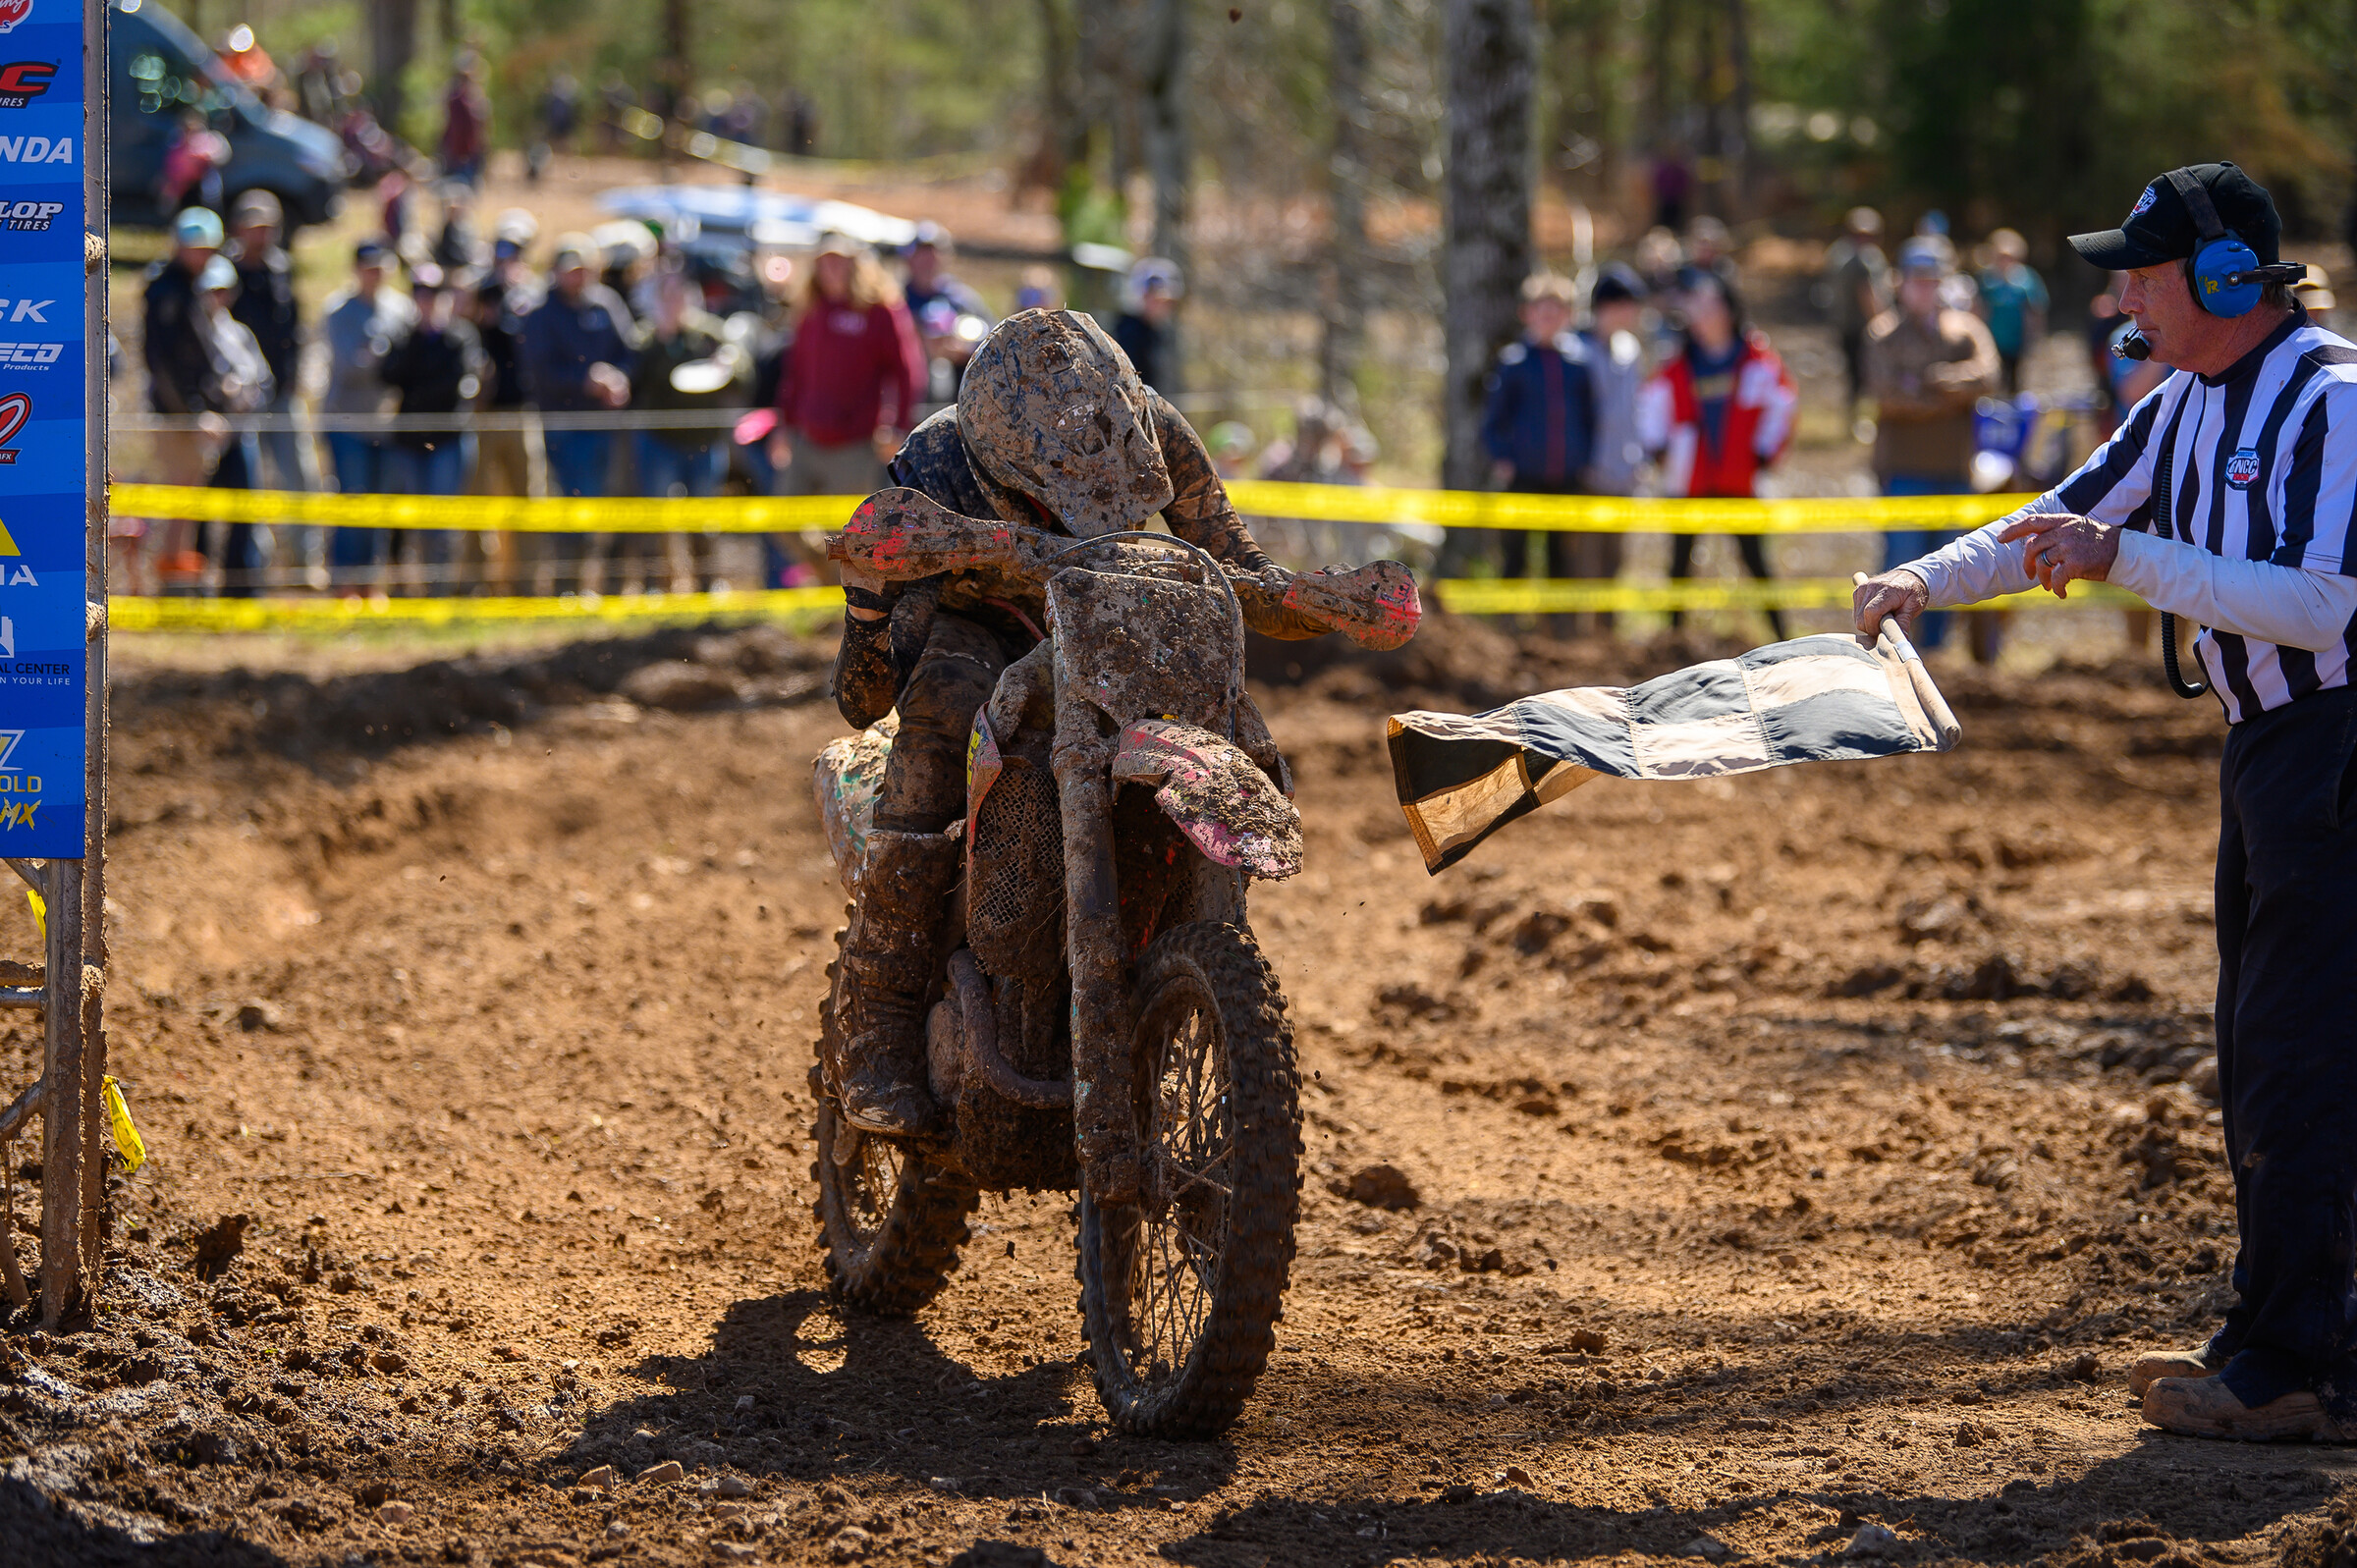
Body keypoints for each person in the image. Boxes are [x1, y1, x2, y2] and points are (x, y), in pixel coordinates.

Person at [1854, 162, 2357, 1444]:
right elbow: (2058, 517)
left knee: (2304, 1052)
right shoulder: (2184, 400)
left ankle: (2305, 1362)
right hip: (2270, 754)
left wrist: (2126, 560)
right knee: (2260, 1049)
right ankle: (2274, 1330)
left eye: (2143, 269)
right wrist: (1922, 580)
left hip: (2339, 745)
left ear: (2230, 278)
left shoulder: (2332, 401)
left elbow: (2321, 603)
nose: (2123, 291)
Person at [826, 310, 1312, 1137]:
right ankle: (879, 1016)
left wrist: (1311, 596)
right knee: (939, 717)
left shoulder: (1154, 431)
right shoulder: (936, 466)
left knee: (1224, 712)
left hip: (1114, 619)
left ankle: (1196, 977)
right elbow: (864, 692)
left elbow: (1233, 556)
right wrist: (869, 610)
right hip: (980, 622)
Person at [1637, 268, 1797, 640]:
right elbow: (1651, 409)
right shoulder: (1676, 365)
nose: (1703, 315)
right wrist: (1658, 450)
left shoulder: (1757, 361)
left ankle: (1784, 639)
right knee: (1678, 564)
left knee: (1757, 563)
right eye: (1697, 308)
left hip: (1739, 480)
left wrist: (1764, 454)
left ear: (1729, 310)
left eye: (1711, 306)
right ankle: (1672, 643)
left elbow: (1783, 405)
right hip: (1687, 480)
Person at [1865, 239, 2001, 658]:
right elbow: (1886, 395)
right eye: (1916, 281)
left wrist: (1934, 381)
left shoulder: (1967, 330)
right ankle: (1897, 652)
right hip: (1902, 470)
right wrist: (1947, 400)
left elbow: (1988, 377)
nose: (1924, 289)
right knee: (1901, 563)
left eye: (1931, 281)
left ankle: (1938, 652)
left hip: (1955, 469)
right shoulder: (1883, 334)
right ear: (1901, 284)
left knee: (1949, 567)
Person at [763, 233, 924, 517]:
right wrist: (783, 424)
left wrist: (899, 427)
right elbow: (795, 372)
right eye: (824, 264)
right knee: (782, 521)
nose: (831, 271)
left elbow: (907, 370)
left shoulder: (880, 310)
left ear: (856, 265)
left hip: (855, 443)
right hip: (807, 437)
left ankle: (829, 564)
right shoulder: (811, 308)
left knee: (845, 533)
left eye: (839, 263)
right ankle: (818, 565)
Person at [521, 234, 636, 594]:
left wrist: (619, 377)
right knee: (574, 510)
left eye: (584, 270)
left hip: (608, 427)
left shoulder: (607, 305)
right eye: (570, 270)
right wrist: (584, 382)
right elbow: (540, 372)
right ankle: (568, 589)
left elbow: (630, 351)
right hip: (564, 428)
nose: (578, 277)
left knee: (613, 507)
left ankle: (609, 590)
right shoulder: (541, 315)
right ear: (555, 272)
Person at [1477, 274, 1597, 595]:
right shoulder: (1513, 363)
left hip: (1567, 477)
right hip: (1524, 476)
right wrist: (1503, 458)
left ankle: (1554, 631)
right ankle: (1510, 623)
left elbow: (1589, 418)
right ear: (1527, 314)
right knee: (1515, 552)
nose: (1548, 319)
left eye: (1556, 312)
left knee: (1560, 555)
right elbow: (1493, 420)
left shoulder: (1578, 364)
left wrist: (1583, 459)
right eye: (1542, 312)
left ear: (1568, 316)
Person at [377, 265, 485, 594]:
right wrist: (418, 342)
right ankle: (409, 589)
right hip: (409, 443)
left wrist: (420, 385)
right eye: (420, 294)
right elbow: (388, 374)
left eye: (433, 294)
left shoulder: (460, 335)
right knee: (409, 520)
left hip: (448, 441)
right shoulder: (404, 336)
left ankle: (439, 592)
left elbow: (456, 383)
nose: (426, 301)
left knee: (441, 523)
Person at [628, 263, 734, 593]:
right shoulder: (646, 337)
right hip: (660, 442)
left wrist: (728, 364)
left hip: (704, 442)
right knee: (658, 516)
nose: (675, 301)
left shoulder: (710, 334)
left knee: (703, 516)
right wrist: (662, 340)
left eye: (680, 294)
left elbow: (742, 372)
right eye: (667, 295)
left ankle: (708, 582)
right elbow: (636, 383)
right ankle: (659, 584)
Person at [319, 240, 418, 587]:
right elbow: (349, 365)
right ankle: (344, 581)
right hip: (347, 422)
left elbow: (407, 361)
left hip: (387, 424)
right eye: (369, 267)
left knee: (380, 506)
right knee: (352, 503)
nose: (375, 275)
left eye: (381, 267)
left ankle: (370, 582)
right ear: (356, 269)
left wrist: (382, 360)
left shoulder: (402, 309)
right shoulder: (338, 310)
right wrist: (387, 361)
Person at [225, 190, 317, 499]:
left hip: (281, 390)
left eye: (267, 227)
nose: (261, 235)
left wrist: (293, 375)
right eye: (254, 227)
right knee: (251, 484)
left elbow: (294, 327)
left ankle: (305, 547)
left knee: (301, 476)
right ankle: (257, 548)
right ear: (239, 228)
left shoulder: (281, 270)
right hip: (242, 397)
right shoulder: (225, 274)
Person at [1576, 263, 1650, 632]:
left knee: (1614, 561)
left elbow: (1632, 411)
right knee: (1583, 560)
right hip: (1588, 475)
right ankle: (1579, 634)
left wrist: (1637, 458)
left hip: (1622, 474)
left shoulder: (1629, 350)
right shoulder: (1577, 351)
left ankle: (1607, 634)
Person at [195, 254, 273, 595]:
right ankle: (196, 586)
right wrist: (218, 394)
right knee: (198, 515)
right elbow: (190, 383)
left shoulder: (240, 333)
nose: (217, 297)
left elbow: (265, 380)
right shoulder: (193, 331)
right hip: (205, 436)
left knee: (243, 511)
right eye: (211, 290)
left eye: (223, 290)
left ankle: (239, 588)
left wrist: (245, 395)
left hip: (240, 435)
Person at [1825, 206, 1891, 423]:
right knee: (1864, 375)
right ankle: (1861, 420)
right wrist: (1884, 324)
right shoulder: (1860, 261)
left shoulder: (1839, 253)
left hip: (1843, 325)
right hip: (1862, 327)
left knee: (1854, 374)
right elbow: (1867, 295)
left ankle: (1855, 419)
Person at [1976, 228, 2049, 395]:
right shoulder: (1987, 280)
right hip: (1994, 341)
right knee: (1994, 381)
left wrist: (2034, 337)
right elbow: (1979, 308)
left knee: (2017, 382)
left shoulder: (2027, 280)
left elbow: (2036, 310)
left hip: (2018, 341)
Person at [1112, 258, 1182, 394]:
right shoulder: (1129, 333)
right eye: (1158, 301)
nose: (1165, 308)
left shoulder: (1158, 333)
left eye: (1168, 302)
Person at [901, 223, 991, 323]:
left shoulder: (962, 300)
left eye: (932, 256)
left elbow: (991, 331)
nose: (927, 263)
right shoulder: (897, 301)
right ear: (908, 259)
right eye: (921, 256)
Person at [440, 52, 490, 187]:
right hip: (459, 148)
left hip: (469, 149)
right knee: (459, 185)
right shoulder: (457, 97)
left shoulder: (474, 96)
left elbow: (481, 123)